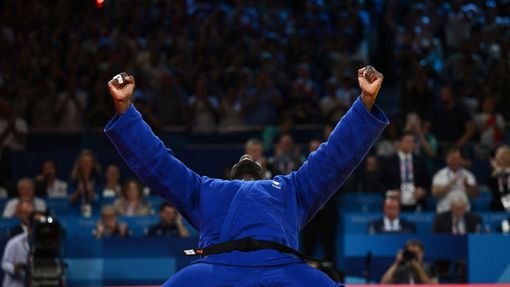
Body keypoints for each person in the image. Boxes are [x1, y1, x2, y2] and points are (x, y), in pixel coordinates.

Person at [105, 66, 388, 286]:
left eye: (251, 158)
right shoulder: (205, 189)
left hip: (282, 267)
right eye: (242, 158)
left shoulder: (291, 188)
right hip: (216, 267)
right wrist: (125, 110)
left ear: (265, 174)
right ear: (230, 175)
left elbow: (334, 158)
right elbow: (158, 163)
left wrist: (364, 103)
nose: (246, 157)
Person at [380, 132, 430, 211]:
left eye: (412, 142)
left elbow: (428, 182)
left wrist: (423, 191)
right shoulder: (388, 161)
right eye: (407, 141)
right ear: (400, 143)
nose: (410, 144)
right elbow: (379, 182)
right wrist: (390, 193)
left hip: (417, 203)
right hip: (394, 202)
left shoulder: (421, 161)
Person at [1, 210, 46, 287]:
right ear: (29, 227)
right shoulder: (15, 242)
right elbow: (5, 263)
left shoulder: (49, 245)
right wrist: (14, 269)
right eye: (36, 224)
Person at [431, 148, 478, 213]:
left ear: (461, 159)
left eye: (457, 158)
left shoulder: (468, 174)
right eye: (452, 158)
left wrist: (467, 185)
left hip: (464, 213)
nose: (455, 161)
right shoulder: (439, 175)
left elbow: (475, 194)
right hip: (444, 212)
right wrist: (448, 186)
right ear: (447, 159)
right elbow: (434, 193)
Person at [488, 145, 510, 211]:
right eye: (499, 154)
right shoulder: (493, 172)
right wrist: (497, 170)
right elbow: (491, 186)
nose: (502, 157)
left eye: (504, 154)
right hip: (498, 205)